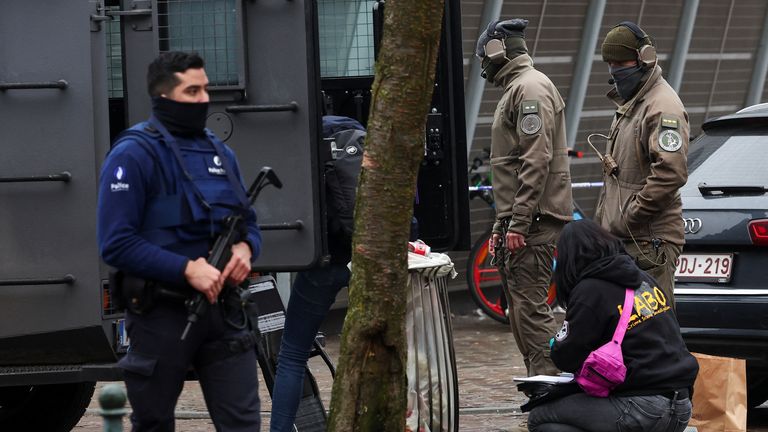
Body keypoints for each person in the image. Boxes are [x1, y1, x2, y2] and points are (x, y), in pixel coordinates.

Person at [97, 51, 262, 431]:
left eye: (205, 89)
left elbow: (248, 223)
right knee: (153, 422)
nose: (204, 99)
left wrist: (246, 248)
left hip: (224, 314)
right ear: (164, 97)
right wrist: (186, 269)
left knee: (243, 424)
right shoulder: (133, 154)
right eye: (192, 91)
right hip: (162, 316)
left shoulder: (221, 153)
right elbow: (115, 242)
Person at [527, 219, 698, 432]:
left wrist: (558, 342)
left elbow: (565, 357)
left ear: (569, 258)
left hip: (643, 407)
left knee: (540, 417)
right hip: (681, 406)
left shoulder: (589, 290)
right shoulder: (644, 279)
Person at [475, 18, 574, 376]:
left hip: (533, 222)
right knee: (519, 307)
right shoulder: (519, 87)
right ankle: (540, 381)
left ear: (497, 50)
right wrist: (505, 224)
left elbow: (535, 160)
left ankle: (549, 384)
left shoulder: (528, 89)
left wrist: (518, 221)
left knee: (530, 308)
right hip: (522, 220)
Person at [594, 21, 689, 310]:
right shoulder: (633, 104)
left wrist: (628, 217)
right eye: (609, 63)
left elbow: (670, 172)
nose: (614, 70)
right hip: (629, 242)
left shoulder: (662, 107)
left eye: (620, 61)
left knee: (653, 334)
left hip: (648, 243)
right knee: (631, 337)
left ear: (645, 58)